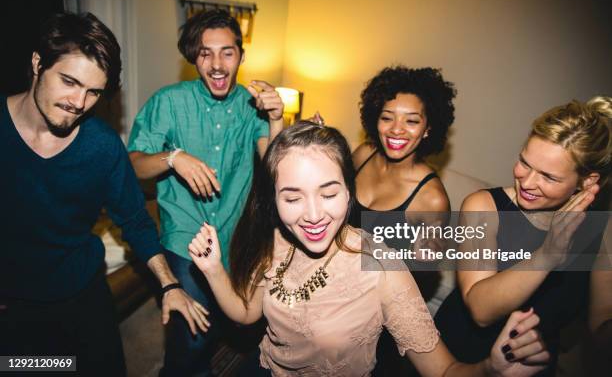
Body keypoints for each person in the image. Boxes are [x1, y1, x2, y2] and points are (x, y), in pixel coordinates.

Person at [187, 121, 550, 376]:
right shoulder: (278, 236)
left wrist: (491, 369)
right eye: (293, 197)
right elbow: (248, 313)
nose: (313, 215)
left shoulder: (381, 267)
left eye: (328, 194)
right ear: (274, 202)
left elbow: (445, 369)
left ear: (349, 190)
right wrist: (214, 269)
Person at [0, 12, 208, 376]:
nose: (79, 102)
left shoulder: (103, 146)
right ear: (37, 63)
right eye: (69, 81)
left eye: (93, 91)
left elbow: (135, 220)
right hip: (16, 308)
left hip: (84, 296)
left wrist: (170, 284)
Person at [127, 9, 284, 375]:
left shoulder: (252, 107)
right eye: (204, 53)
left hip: (237, 235)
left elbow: (278, 169)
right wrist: (173, 157)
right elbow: (133, 164)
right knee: (192, 340)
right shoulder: (168, 101)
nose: (216, 64)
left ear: (241, 57)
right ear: (193, 58)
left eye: (227, 52)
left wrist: (278, 118)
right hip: (186, 238)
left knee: (242, 325)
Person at [434, 97, 612, 375]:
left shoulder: (603, 232)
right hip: (460, 359)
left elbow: (601, 329)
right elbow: (480, 310)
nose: (527, 182)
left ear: (587, 181)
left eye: (548, 177)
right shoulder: (483, 205)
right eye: (524, 163)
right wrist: (549, 253)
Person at [348, 66, 456, 375]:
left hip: (373, 319)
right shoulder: (364, 153)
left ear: (428, 128)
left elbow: (420, 273)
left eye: (411, 120)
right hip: (330, 287)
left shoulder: (431, 198)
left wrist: (427, 257)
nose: (397, 130)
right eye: (387, 117)